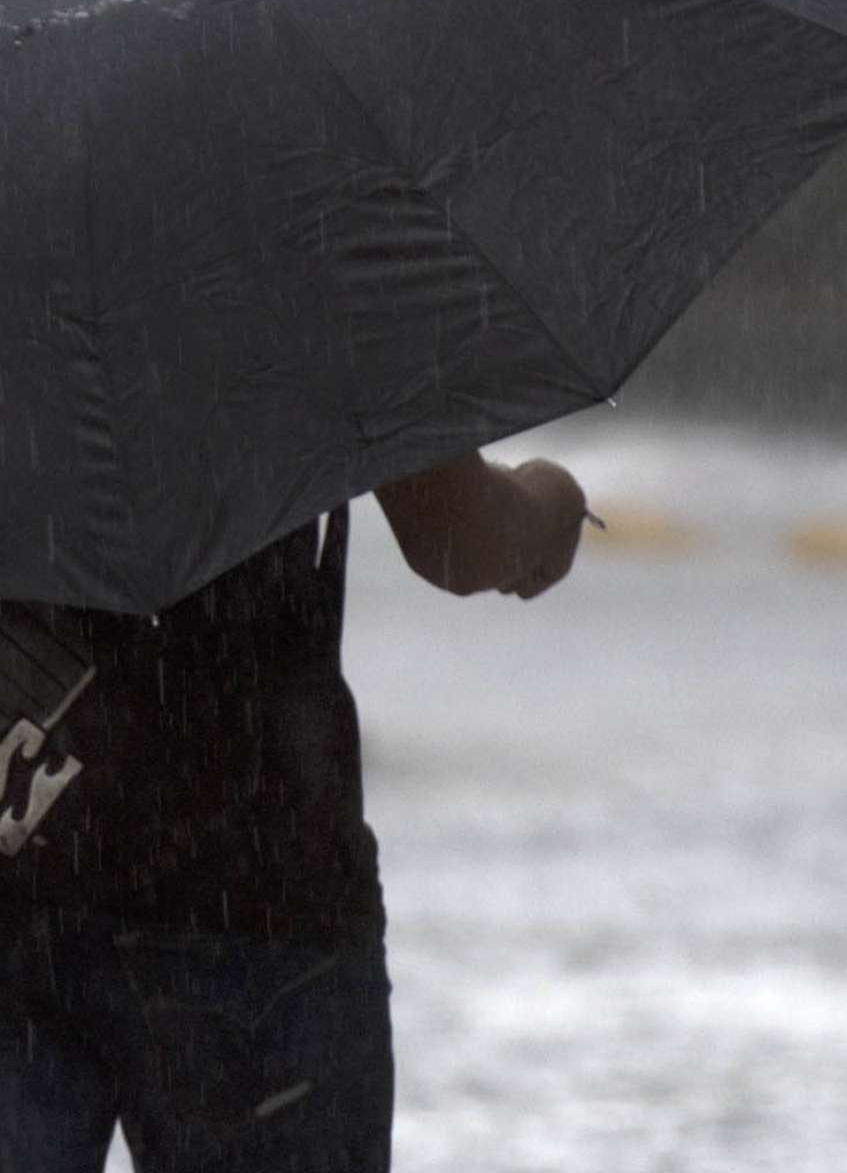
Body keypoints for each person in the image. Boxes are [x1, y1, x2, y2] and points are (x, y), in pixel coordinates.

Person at [0, 448, 587, 1173]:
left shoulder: (32, 340)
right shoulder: (287, 330)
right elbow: (459, 537)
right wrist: (549, 505)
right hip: (253, 878)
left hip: (22, 848)